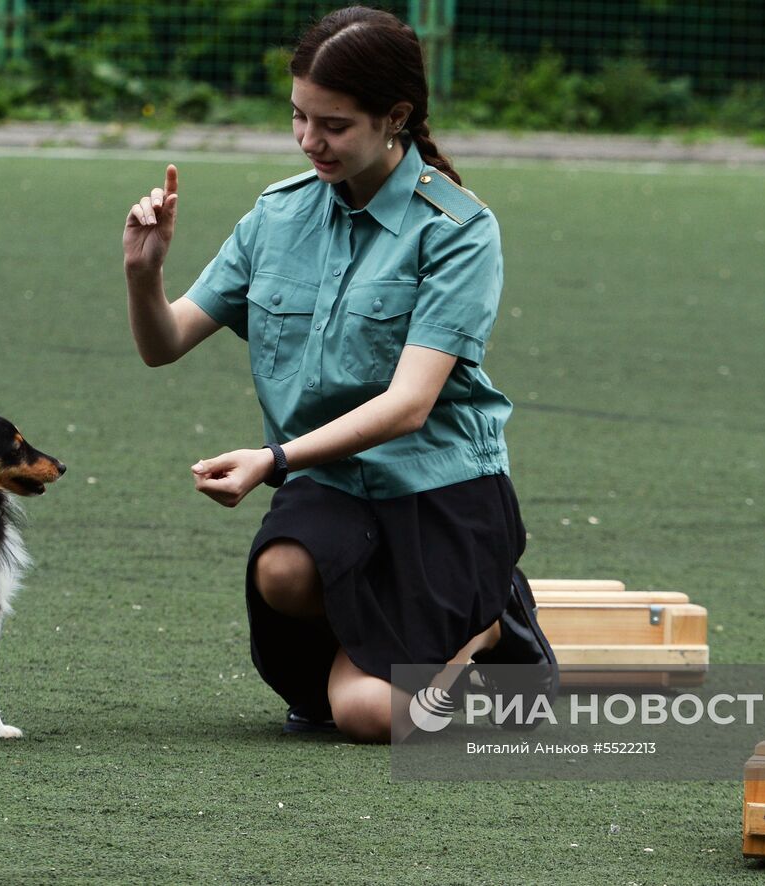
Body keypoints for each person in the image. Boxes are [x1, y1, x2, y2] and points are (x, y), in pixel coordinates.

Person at [122, 6, 554, 743]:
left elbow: (410, 406)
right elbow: (165, 343)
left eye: (333, 124)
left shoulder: (458, 229)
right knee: (283, 572)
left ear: (396, 117)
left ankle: (489, 619)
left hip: (438, 493)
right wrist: (144, 272)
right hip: (334, 490)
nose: (309, 140)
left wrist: (275, 458)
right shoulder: (276, 215)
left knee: (363, 717)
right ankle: (370, 654)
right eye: (298, 117)